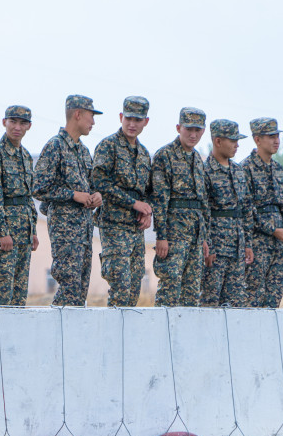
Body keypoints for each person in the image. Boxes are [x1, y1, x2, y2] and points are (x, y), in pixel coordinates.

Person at [33, 94, 103, 306]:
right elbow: (38, 188)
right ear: (78, 114)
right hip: (65, 231)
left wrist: (96, 196)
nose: (93, 122)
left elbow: (90, 185)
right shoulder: (55, 146)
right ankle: (58, 336)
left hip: (84, 229)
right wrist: (73, 195)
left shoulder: (82, 150)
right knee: (69, 288)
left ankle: (73, 338)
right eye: (91, 116)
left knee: (80, 291)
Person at [91, 96, 152, 307]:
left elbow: (148, 190)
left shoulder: (144, 154)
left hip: (136, 230)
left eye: (138, 119)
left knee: (134, 289)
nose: (132, 124)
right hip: (114, 226)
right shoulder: (108, 146)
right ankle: (112, 338)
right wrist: (133, 204)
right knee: (120, 287)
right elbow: (99, 181)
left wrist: (147, 211)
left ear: (146, 122)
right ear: (120, 117)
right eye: (128, 118)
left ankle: (127, 339)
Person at [150, 107, 209, 307]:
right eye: (189, 129)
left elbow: (202, 202)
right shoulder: (164, 156)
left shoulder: (198, 160)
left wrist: (203, 238)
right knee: (170, 288)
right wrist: (161, 236)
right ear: (178, 128)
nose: (193, 135)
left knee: (192, 293)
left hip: (195, 237)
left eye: (198, 130)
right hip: (174, 236)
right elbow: (159, 200)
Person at [0, 105, 38, 306]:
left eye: (22, 123)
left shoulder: (26, 156)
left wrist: (33, 230)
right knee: (1, 292)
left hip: (23, 235)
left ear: (29, 126)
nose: (17, 127)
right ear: (4, 122)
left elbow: (28, 197)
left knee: (19, 295)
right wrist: (3, 232)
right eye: (13, 121)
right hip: (3, 237)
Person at [242, 118, 283, 308]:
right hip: (258, 244)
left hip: (280, 245)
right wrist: (273, 229)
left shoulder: (278, 169)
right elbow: (247, 209)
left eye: (277, 136)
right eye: (270, 137)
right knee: (253, 297)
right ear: (257, 139)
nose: (276, 141)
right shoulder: (245, 169)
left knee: (274, 298)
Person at [201, 119, 254, 307]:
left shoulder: (239, 171)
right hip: (216, 250)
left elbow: (246, 209)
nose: (237, 145)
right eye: (232, 140)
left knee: (236, 302)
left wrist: (247, 243)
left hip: (237, 248)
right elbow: (203, 212)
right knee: (210, 302)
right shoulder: (205, 171)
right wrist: (209, 246)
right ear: (217, 141)